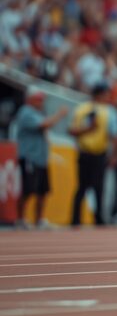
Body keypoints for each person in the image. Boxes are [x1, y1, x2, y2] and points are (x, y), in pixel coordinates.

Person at [12, 89, 68, 229]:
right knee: (28, 190)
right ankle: (20, 219)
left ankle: (39, 220)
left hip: (41, 158)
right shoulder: (26, 112)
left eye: (42, 99)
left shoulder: (37, 113)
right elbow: (44, 124)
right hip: (30, 157)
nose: (41, 102)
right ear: (29, 99)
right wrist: (59, 114)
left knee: (43, 190)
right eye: (38, 99)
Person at [68, 81, 117, 226]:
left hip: (92, 153)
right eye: (106, 94)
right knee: (90, 188)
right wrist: (115, 155)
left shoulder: (82, 109)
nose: (108, 97)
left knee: (89, 188)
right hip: (93, 153)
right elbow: (115, 136)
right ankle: (86, 219)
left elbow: (72, 130)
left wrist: (114, 154)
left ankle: (83, 219)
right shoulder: (106, 111)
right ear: (100, 94)